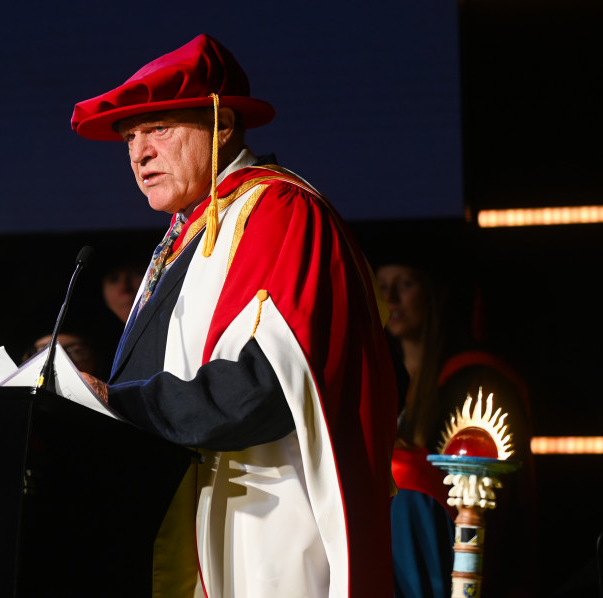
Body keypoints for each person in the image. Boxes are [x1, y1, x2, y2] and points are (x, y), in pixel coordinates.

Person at [71, 34, 398, 597]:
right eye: (130, 138)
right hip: (184, 533)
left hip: (261, 537)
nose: (139, 153)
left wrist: (118, 402)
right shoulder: (186, 237)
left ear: (221, 127)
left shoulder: (279, 212)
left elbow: (265, 387)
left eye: (159, 129)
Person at [375, 247, 536, 598]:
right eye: (382, 285)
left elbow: (488, 491)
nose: (390, 297)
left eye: (405, 283)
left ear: (434, 293)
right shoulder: (398, 382)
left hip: (460, 557)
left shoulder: (476, 380)